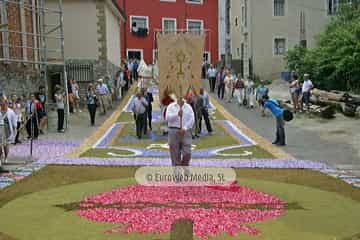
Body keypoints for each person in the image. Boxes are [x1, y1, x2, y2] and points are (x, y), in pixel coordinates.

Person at [166, 95, 195, 167]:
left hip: (185, 132)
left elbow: (192, 119)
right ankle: (177, 174)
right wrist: (177, 115)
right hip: (173, 130)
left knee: (187, 153)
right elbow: (167, 118)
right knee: (175, 154)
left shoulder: (188, 107)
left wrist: (185, 128)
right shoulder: (171, 106)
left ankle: (184, 165)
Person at [0, 96, 17, 167]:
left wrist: (15, 129)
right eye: (1, 104)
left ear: (6, 104)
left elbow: (14, 122)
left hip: (7, 131)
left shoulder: (11, 112)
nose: (2, 106)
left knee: (6, 145)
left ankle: (6, 157)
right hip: (0, 129)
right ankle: (0, 158)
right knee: (0, 145)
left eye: (3, 104)